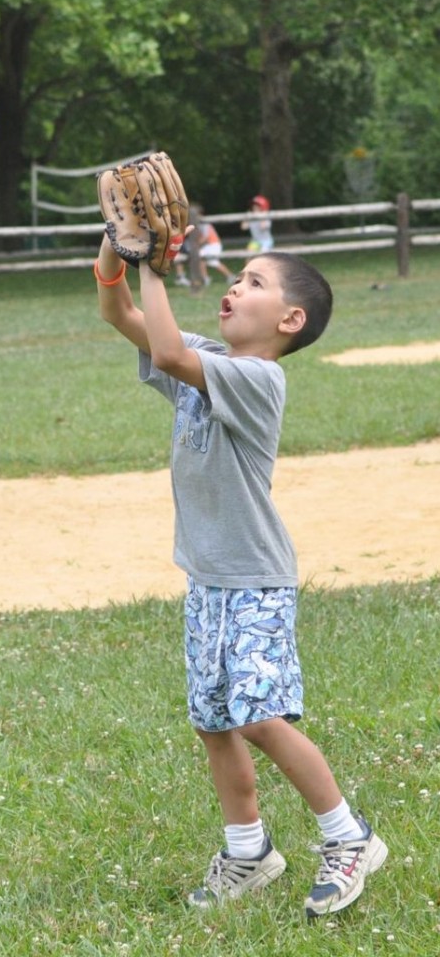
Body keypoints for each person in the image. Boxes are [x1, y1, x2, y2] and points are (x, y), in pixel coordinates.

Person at [93, 233, 387, 918]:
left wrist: (155, 269)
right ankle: (248, 850)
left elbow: (165, 348)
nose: (234, 287)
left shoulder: (257, 378)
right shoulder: (210, 357)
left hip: (255, 578)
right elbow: (117, 313)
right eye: (238, 277)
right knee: (213, 720)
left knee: (258, 715)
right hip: (208, 579)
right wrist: (115, 250)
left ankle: (349, 838)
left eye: (255, 283)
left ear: (290, 321)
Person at [175, 205, 235, 286]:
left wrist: (195, 245)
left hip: (213, 245)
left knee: (208, 259)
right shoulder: (197, 223)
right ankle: (209, 278)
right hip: (208, 246)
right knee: (208, 260)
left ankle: (225, 276)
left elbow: (205, 238)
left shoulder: (204, 222)